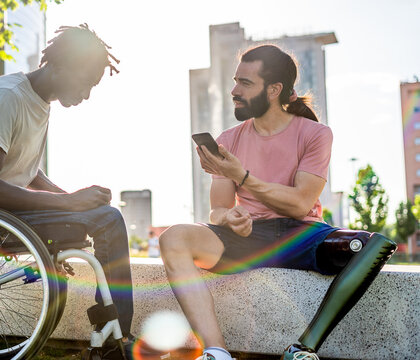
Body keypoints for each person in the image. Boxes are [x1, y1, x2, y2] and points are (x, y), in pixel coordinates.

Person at [158, 45, 396, 360]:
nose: (234, 91)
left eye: (245, 83)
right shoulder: (228, 140)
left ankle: (302, 349)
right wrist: (229, 218)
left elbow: (300, 204)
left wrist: (241, 176)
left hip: (303, 235)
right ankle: (216, 352)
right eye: (235, 81)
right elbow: (217, 210)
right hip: (247, 238)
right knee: (173, 237)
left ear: (274, 90)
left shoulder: (316, 134)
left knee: (373, 245)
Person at [0, 24, 133, 353]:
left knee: (101, 213)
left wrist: (74, 199)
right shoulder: (8, 97)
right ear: (59, 66)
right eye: (85, 83)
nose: (87, 95)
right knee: (109, 220)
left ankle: (111, 334)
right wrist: (70, 204)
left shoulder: (39, 100)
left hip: (8, 209)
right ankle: (114, 342)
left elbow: (28, 172)